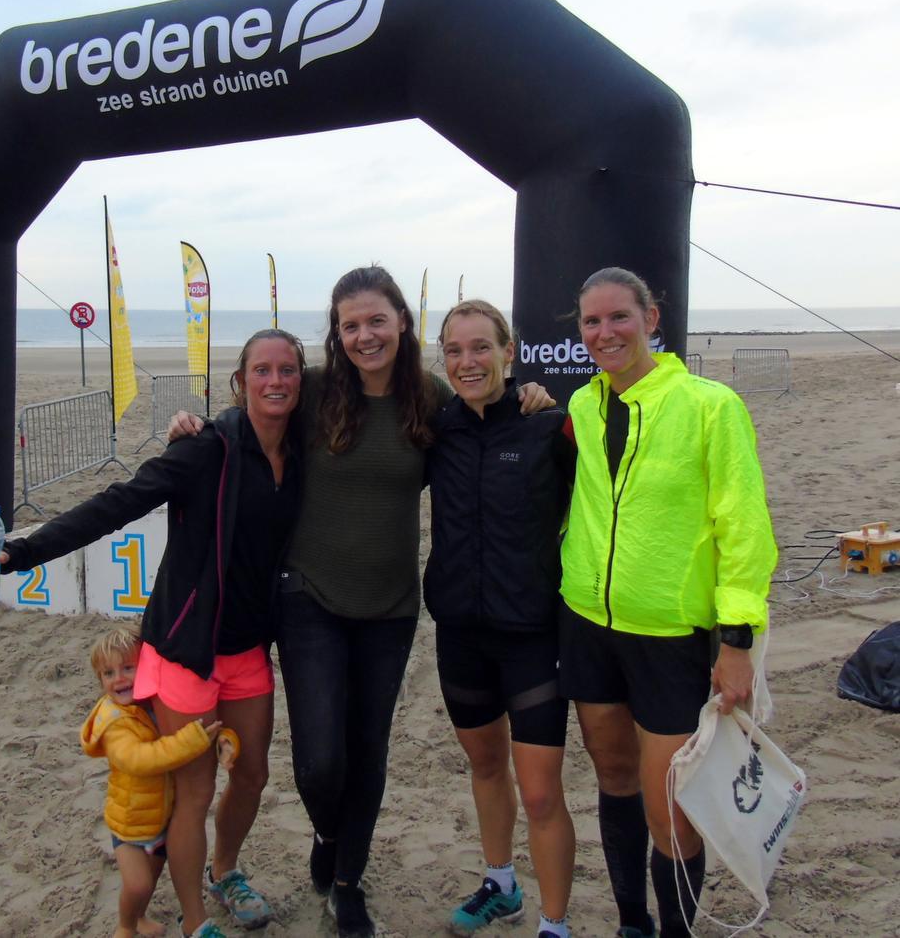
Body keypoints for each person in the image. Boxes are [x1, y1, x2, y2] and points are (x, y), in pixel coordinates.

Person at [169, 266, 552, 938]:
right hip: (308, 598)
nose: (365, 335)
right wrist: (199, 425)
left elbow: (486, 411)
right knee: (320, 760)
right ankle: (328, 832)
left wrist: (529, 394)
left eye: (377, 320)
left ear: (401, 321)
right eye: (350, 325)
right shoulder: (318, 391)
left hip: (390, 607)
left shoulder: (429, 396)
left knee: (368, 752)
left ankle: (348, 883)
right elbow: (257, 412)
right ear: (337, 333)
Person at [1, 328, 307, 938]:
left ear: (303, 380)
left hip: (247, 647)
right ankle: (195, 922)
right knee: (194, 793)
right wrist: (23, 552)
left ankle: (226, 871)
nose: (275, 381)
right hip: (184, 650)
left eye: (288, 370)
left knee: (252, 775)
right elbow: (118, 502)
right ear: (240, 381)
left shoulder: (304, 452)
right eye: (262, 370)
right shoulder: (206, 450)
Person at [557, 267, 776, 938]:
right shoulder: (582, 406)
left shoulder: (710, 406)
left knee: (671, 810)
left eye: (619, 316)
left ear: (651, 319)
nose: (605, 332)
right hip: (587, 623)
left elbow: (745, 529)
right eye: (592, 321)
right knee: (613, 777)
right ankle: (633, 923)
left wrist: (736, 640)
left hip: (671, 636)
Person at [424, 300, 577, 938]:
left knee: (540, 792)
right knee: (485, 767)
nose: (468, 362)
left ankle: (555, 924)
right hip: (461, 632)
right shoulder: (437, 430)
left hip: (533, 636)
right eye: (455, 351)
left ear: (509, 353)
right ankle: (501, 884)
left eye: (481, 347)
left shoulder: (549, 426)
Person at [81, 625, 220, 938]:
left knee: (150, 879)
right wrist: (191, 741)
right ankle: (125, 926)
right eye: (108, 673)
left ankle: (139, 916)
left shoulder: (151, 706)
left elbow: (202, 728)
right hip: (129, 826)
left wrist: (223, 741)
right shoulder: (114, 722)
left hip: (160, 819)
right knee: (139, 884)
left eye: (128, 668)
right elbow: (140, 760)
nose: (119, 679)